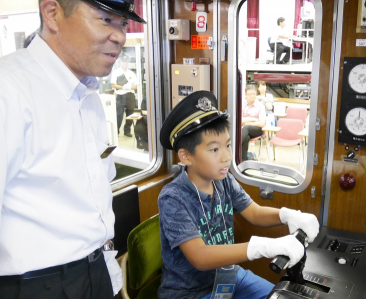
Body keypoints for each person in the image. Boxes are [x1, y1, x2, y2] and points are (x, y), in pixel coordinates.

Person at [0, 0, 146, 299]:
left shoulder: (87, 93)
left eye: (124, 24)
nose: (120, 36)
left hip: (96, 270)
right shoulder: (1, 90)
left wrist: (110, 277)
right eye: (105, 19)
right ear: (52, 14)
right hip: (37, 286)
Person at [158, 91, 320, 299]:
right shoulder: (173, 197)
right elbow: (199, 256)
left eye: (227, 145)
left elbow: (254, 212)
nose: (227, 157)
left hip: (228, 276)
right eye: (214, 150)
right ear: (186, 156)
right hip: (191, 293)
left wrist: (288, 215)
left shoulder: (222, 180)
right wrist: (263, 247)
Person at [111, 54, 138, 137]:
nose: (125, 63)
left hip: (130, 96)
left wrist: (129, 87)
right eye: (123, 62)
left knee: (130, 115)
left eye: (126, 62)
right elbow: (113, 85)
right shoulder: (116, 72)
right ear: (120, 62)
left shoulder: (131, 73)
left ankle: (127, 131)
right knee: (119, 115)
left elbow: (136, 86)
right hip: (120, 96)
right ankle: (117, 132)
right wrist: (123, 87)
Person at [241, 84, 266, 161]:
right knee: (247, 136)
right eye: (250, 94)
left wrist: (247, 122)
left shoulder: (260, 106)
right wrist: (253, 119)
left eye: (254, 94)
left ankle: (233, 147)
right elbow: (240, 121)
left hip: (257, 130)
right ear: (245, 95)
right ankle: (243, 158)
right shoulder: (242, 104)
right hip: (244, 130)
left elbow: (261, 123)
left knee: (246, 127)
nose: (252, 96)